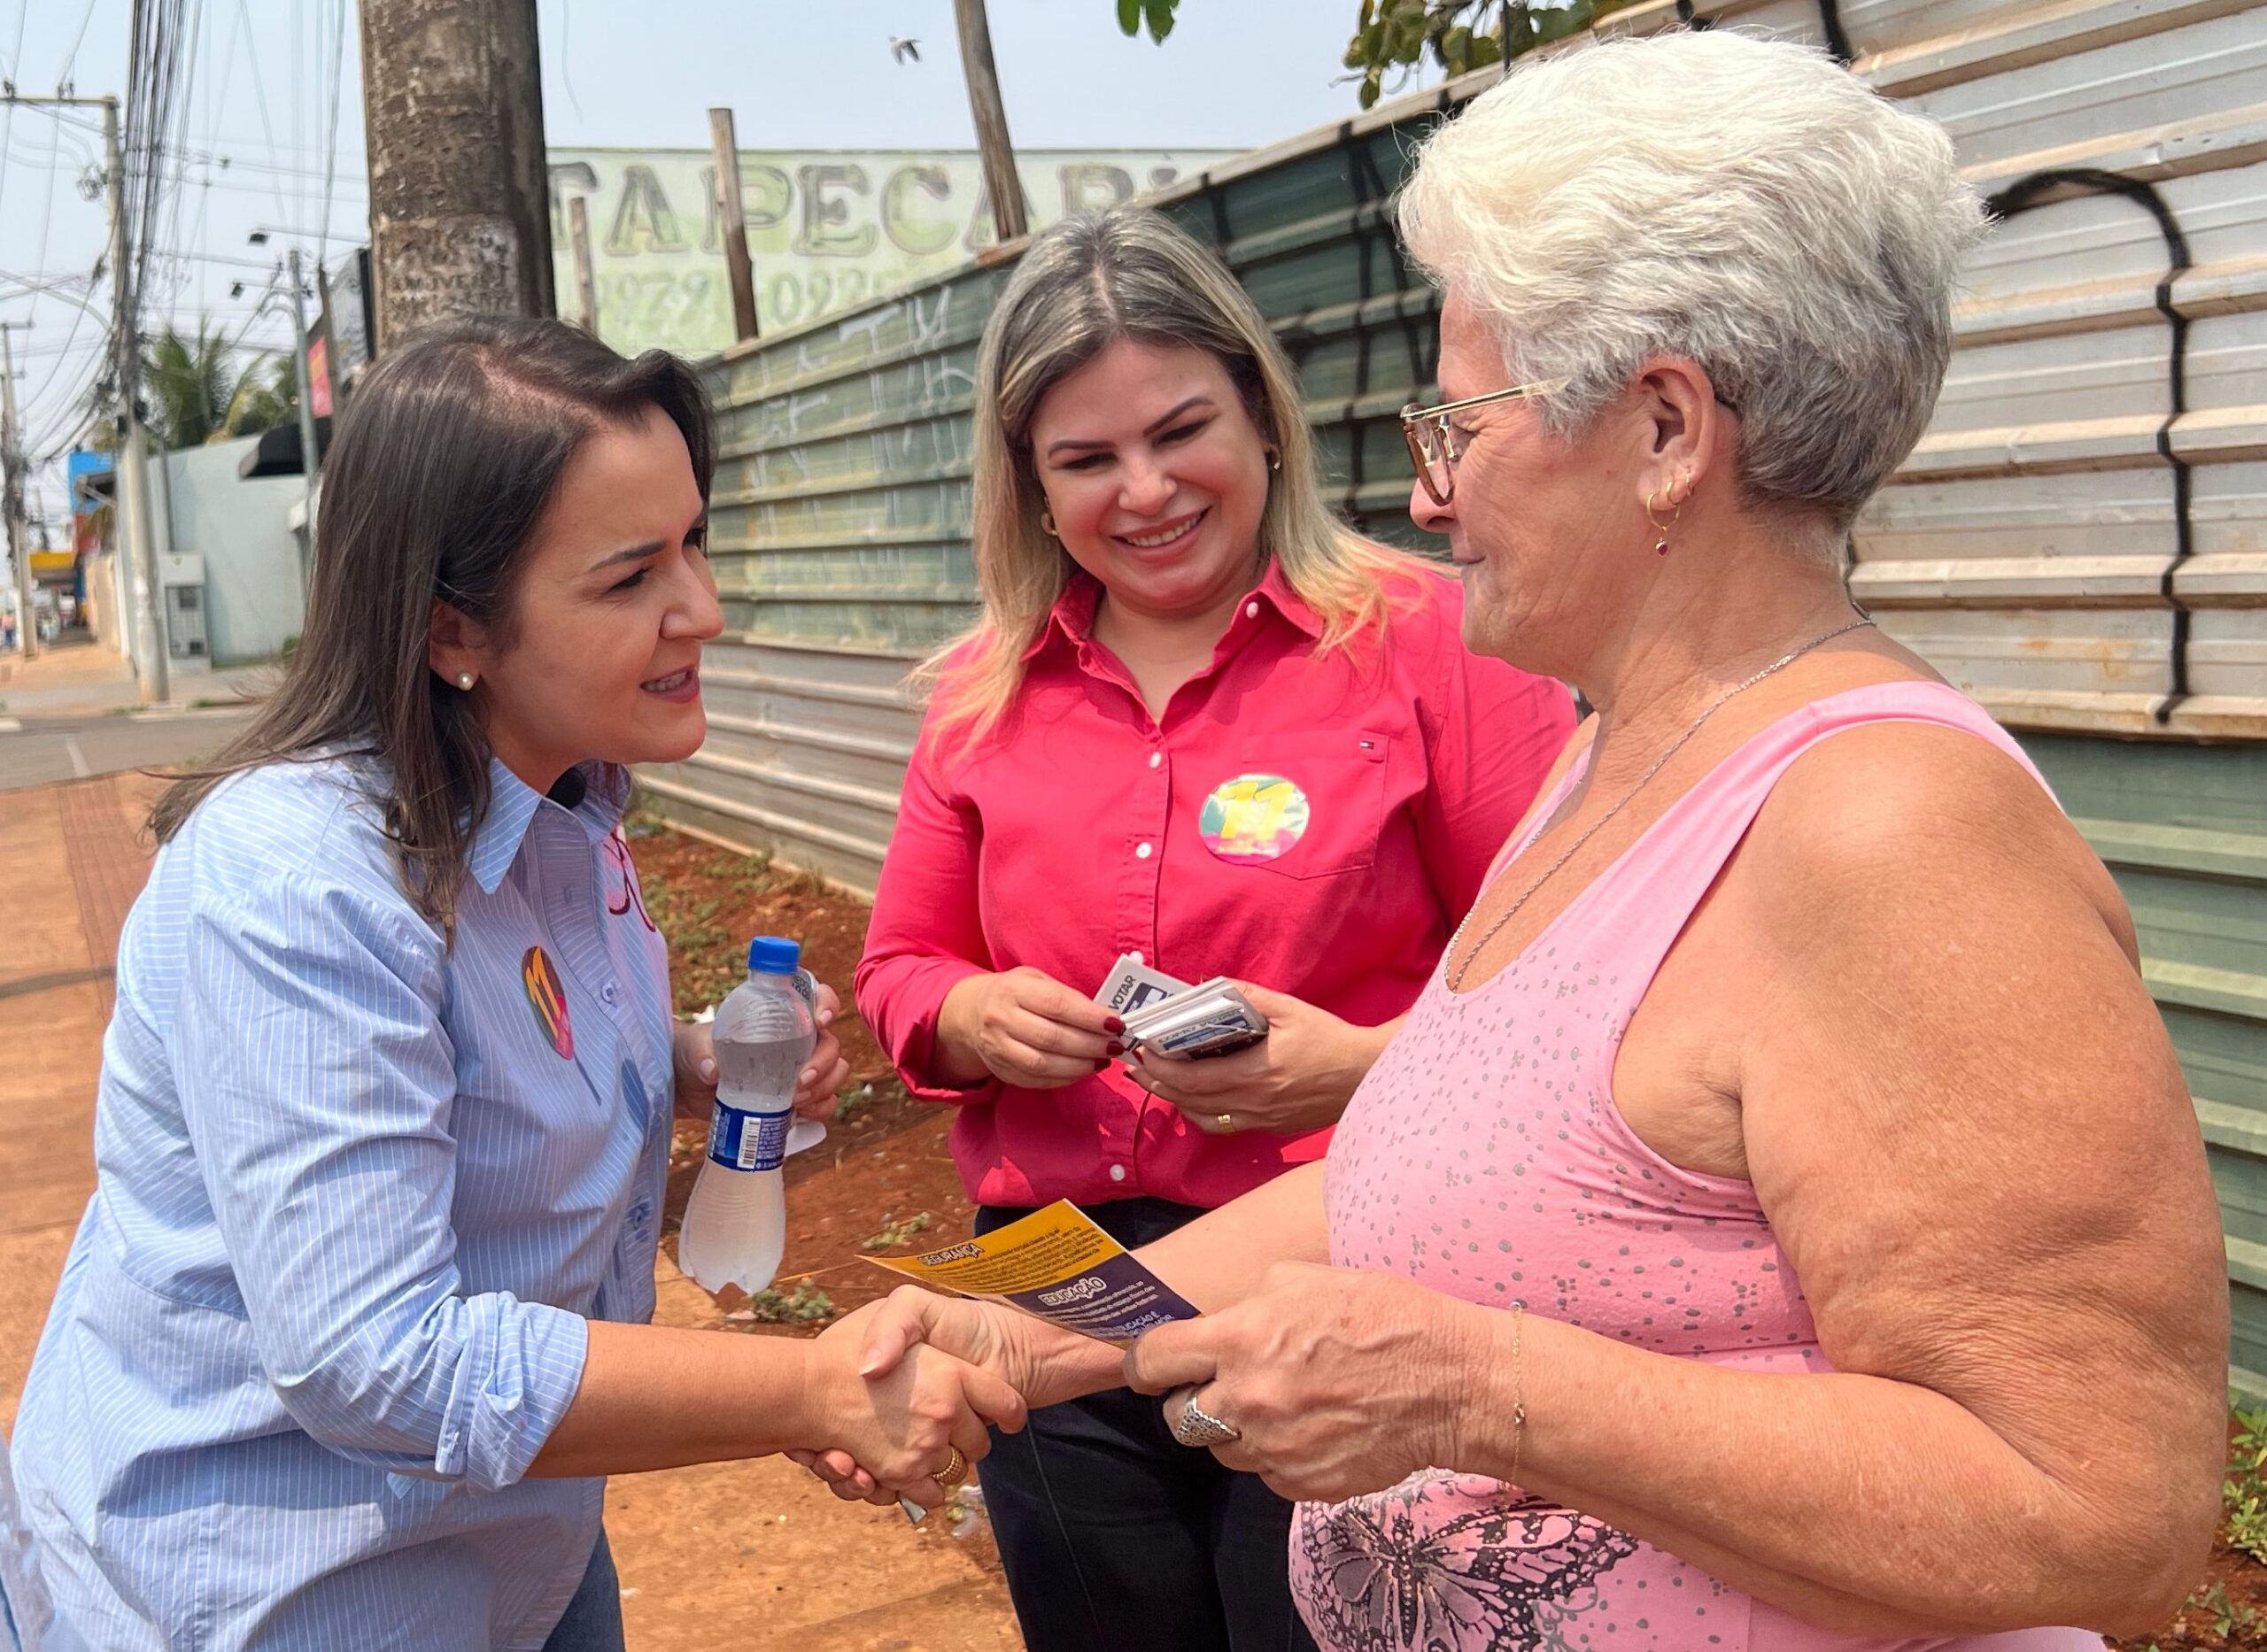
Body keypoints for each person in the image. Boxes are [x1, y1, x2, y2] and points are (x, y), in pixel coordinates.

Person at [814, 33, 2229, 1649]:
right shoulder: (1621, 753)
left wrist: (1472, 1387)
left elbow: (2097, 1503)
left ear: (1666, 431)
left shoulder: (1891, 833)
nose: (1428, 497)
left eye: (1460, 422)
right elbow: (1421, 1184)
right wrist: (1034, 1329)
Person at [5, 319, 1025, 1652]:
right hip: (280, 1591)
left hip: (514, 1552)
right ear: (452, 630)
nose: (703, 609)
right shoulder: (296, 883)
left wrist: (682, 1061)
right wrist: (807, 1389)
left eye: (696, 543)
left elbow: (488, 1048)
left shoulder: (571, 810)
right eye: (630, 576)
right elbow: (378, 1357)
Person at [852, 208, 1575, 1652]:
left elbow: (1564, 992)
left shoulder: (1433, 644)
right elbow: (897, 972)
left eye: (1181, 429)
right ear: (1028, 488)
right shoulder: (976, 701)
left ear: (1262, 413)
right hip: (1050, 1270)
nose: (1146, 488)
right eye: (1084, 460)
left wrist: (1361, 1064)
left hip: (1348, 1269)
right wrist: (971, 1017)